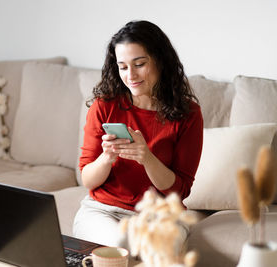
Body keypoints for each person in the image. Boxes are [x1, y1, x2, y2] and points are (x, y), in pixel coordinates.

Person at [73, 20, 203, 247]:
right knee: (120, 243)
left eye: (139, 64)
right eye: (123, 67)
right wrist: (106, 158)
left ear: (161, 61)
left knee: (148, 249)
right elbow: (88, 180)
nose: (130, 75)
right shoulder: (105, 106)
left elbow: (180, 191)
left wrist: (146, 157)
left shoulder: (188, 113)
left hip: (162, 216)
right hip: (103, 212)